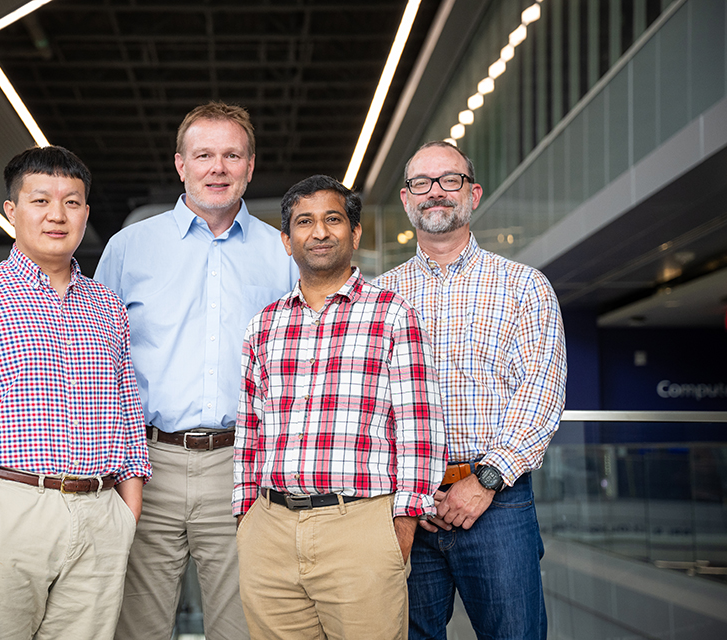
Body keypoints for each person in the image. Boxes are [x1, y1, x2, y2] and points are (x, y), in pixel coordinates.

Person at [0, 146, 150, 640]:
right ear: (12, 211)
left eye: (72, 202)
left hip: (101, 513)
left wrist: (127, 512)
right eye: (41, 200)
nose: (57, 215)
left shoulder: (107, 306)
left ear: (86, 213)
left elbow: (129, 413)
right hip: (7, 509)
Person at [94, 102, 297, 640]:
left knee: (242, 626)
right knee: (137, 626)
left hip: (243, 465)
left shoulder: (283, 253)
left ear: (251, 166)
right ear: (180, 164)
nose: (218, 168)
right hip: (144, 464)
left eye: (232, 155)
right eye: (204, 154)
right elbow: (94, 360)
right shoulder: (128, 248)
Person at [233, 174, 447, 639]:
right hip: (269, 528)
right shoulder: (264, 325)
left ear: (355, 233)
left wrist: (403, 525)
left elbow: (419, 426)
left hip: (360, 527)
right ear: (286, 241)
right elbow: (250, 428)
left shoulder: (392, 314)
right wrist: (245, 516)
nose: (320, 232)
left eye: (333, 219)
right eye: (304, 222)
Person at [374, 141, 567, 640]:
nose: (435, 192)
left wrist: (483, 482)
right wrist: (410, 494)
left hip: (498, 504)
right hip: (408, 509)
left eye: (450, 180)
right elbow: (370, 409)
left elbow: (540, 395)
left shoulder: (524, 286)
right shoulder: (379, 297)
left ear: (473, 193)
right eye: (422, 183)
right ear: (406, 198)